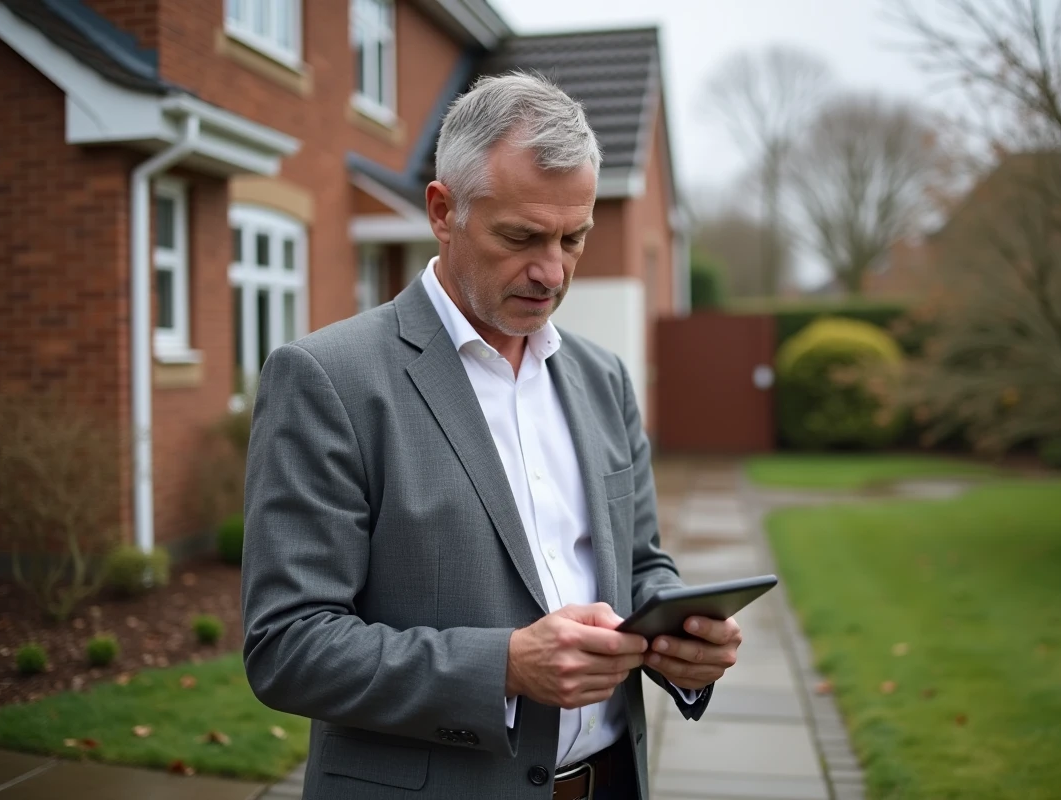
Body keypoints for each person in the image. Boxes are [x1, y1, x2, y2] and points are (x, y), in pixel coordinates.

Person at [241, 71, 742, 800]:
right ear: (443, 212)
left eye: (575, 238)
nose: (552, 271)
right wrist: (505, 665)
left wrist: (680, 639)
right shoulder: (328, 379)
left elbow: (638, 564)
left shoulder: (602, 378)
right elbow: (288, 646)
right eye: (521, 236)